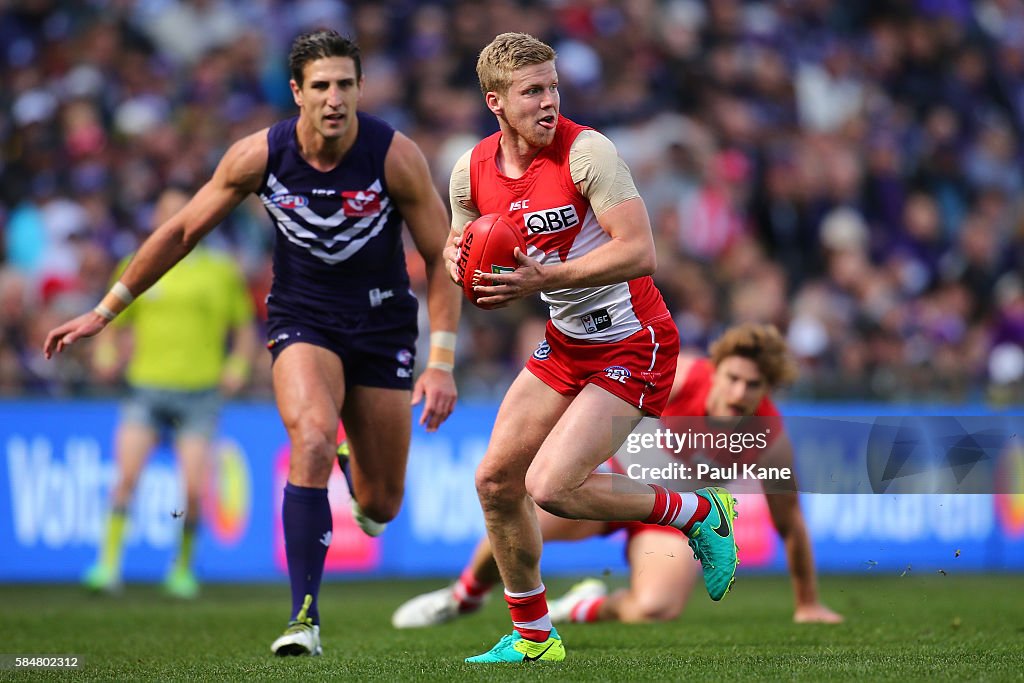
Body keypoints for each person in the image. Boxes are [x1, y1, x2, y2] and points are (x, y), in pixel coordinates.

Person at [43, 30, 461, 657]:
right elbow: (182, 229)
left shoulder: (393, 156)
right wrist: (106, 311)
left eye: (345, 84)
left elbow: (443, 254)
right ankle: (304, 619)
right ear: (296, 92)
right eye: (320, 85)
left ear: (360, 89)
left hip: (382, 327)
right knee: (312, 437)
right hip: (303, 320)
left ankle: (356, 471)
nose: (334, 98)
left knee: (382, 503)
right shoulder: (259, 156)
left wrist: (442, 363)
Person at [441, 32, 738, 664]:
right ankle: (534, 640)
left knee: (550, 485)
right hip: (567, 342)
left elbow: (640, 252)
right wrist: (459, 262)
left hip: (635, 341)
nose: (548, 102)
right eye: (531, 92)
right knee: (496, 482)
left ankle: (696, 511)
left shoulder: (589, 153)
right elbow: (460, 239)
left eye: (552, 87)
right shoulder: (470, 171)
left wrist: (547, 278)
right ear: (495, 102)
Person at [392, 323, 843, 628]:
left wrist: (807, 603)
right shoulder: (682, 377)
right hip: (606, 489)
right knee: (515, 522)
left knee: (655, 608)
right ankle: (463, 596)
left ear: (769, 390)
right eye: (734, 378)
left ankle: (582, 606)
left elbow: (791, 526)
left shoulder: (769, 438)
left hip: (669, 521)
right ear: (718, 371)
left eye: (754, 385)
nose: (740, 392)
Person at [82, 186, 257, 600]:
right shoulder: (137, 263)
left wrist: (238, 366)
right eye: (167, 211)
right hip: (146, 387)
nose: (175, 219)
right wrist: (106, 353)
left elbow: (245, 328)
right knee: (125, 479)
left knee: (193, 492)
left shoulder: (220, 270)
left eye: (184, 211)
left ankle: (181, 568)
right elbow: (113, 319)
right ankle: (108, 566)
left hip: (199, 393)